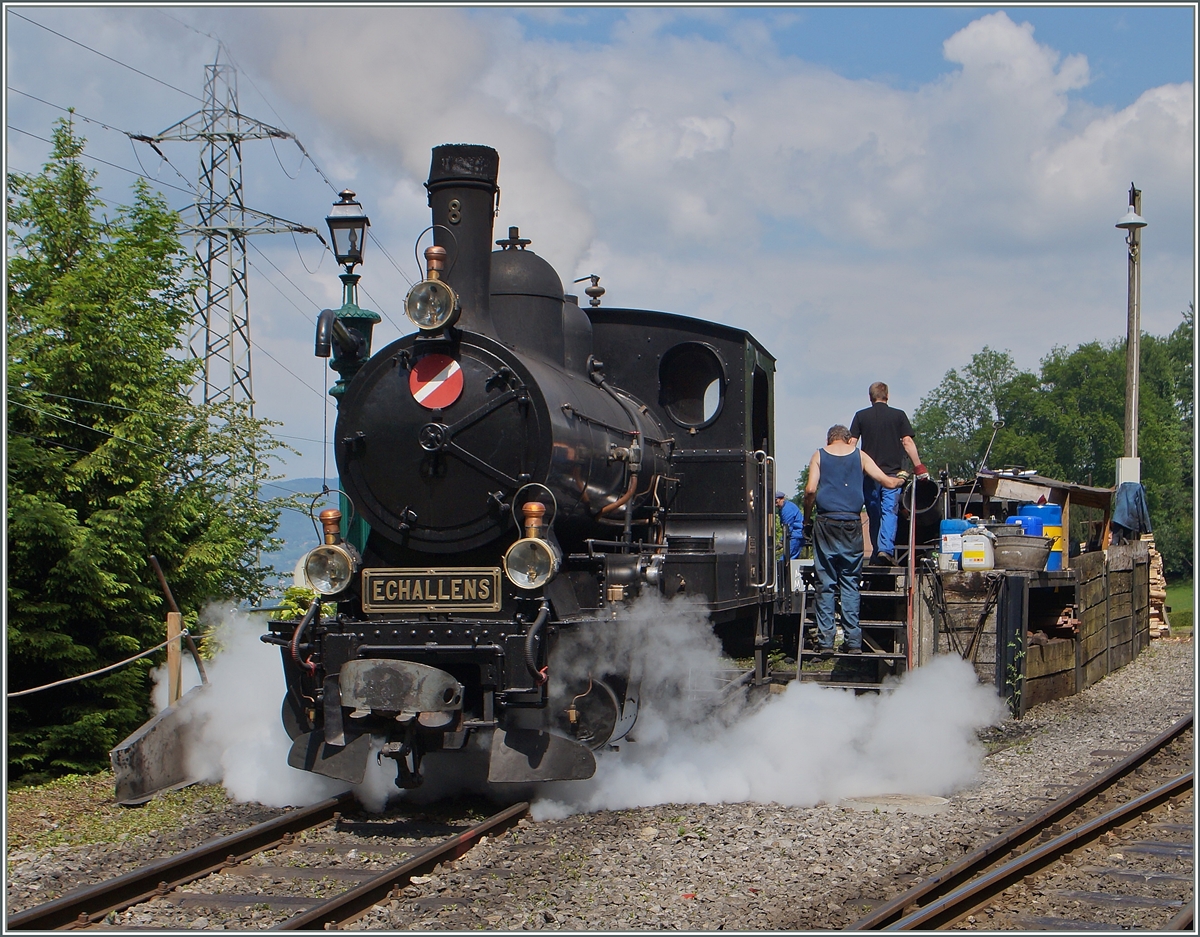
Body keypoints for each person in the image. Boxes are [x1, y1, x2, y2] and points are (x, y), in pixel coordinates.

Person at [804, 425, 905, 655]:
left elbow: (810, 490)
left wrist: (806, 520)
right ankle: (853, 642)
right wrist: (901, 480)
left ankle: (826, 642)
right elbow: (887, 482)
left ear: (829, 439)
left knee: (826, 583)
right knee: (850, 582)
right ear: (849, 439)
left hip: (826, 523)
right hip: (851, 523)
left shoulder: (819, 454)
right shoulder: (860, 455)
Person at [849, 382, 928, 566]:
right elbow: (907, 442)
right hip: (893, 475)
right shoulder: (898, 415)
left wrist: (846, 468)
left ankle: (878, 552)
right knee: (889, 511)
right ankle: (885, 549)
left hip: (870, 474)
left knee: (874, 512)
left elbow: (852, 443)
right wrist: (918, 466)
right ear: (887, 395)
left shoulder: (861, 416)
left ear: (870, 397)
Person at [775, 491, 804, 559]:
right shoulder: (785, 507)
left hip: (795, 536)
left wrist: (782, 541)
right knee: (792, 558)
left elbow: (787, 528)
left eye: (776, 501)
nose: (775, 505)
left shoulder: (786, 510)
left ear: (782, 499)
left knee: (785, 559)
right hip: (797, 535)